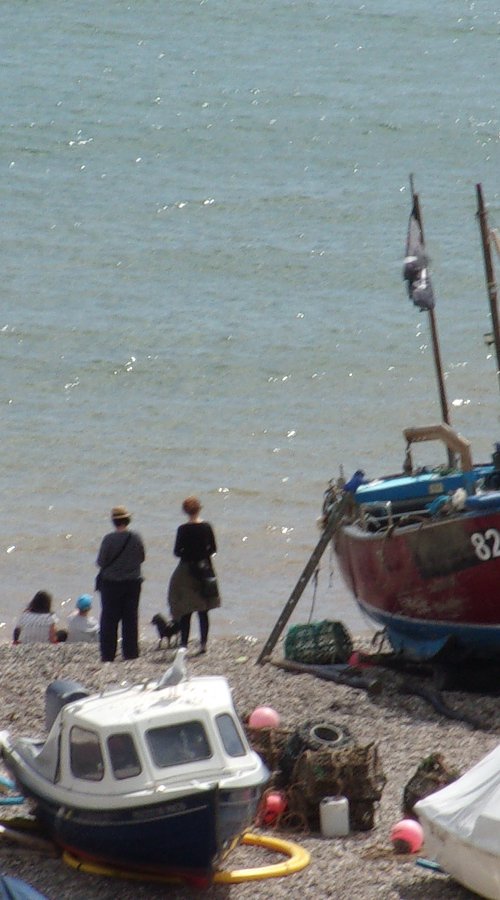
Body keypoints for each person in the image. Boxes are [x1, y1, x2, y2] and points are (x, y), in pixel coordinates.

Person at [168, 496, 220, 654]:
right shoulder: (206, 527)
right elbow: (213, 548)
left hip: (186, 570)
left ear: (185, 511)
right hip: (205, 568)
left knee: (186, 609)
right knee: (203, 609)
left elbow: (177, 552)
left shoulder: (182, 529)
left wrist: (188, 554)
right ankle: (203, 644)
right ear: (199, 509)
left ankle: (184, 644)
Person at [96, 505, 145, 662]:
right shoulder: (136, 537)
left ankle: (108, 654)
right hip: (132, 582)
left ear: (113, 522)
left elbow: (101, 562)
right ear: (127, 520)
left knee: (109, 619)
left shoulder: (108, 539)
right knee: (130, 618)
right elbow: (141, 557)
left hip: (111, 583)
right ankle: (130, 653)